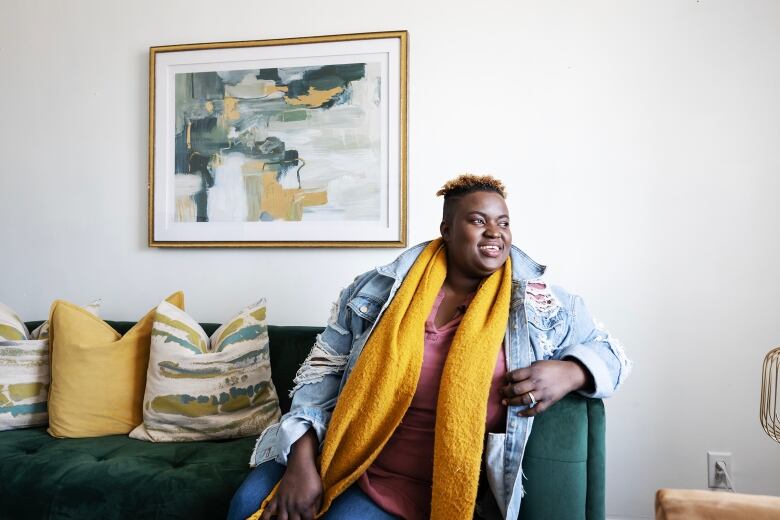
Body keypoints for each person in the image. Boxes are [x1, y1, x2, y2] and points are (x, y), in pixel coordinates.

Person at [228, 174, 631, 520]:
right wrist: (301, 459)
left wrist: (571, 371)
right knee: (248, 502)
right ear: (447, 229)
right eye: (478, 220)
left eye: (503, 222)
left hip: (430, 485)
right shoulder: (378, 291)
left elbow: (614, 354)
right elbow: (321, 371)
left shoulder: (538, 305)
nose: (496, 232)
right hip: (348, 454)